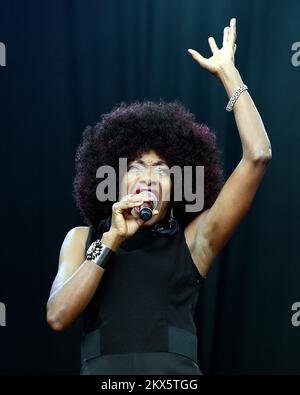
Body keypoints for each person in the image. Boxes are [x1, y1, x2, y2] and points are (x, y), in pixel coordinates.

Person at [46, 18, 272, 375]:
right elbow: (58, 316)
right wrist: (111, 240)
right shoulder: (81, 240)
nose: (149, 176)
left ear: (176, 187)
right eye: (137, 166)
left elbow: (258, 156)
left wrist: (229, 74)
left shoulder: (194, 241)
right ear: (116, 178)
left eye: (163, 170)